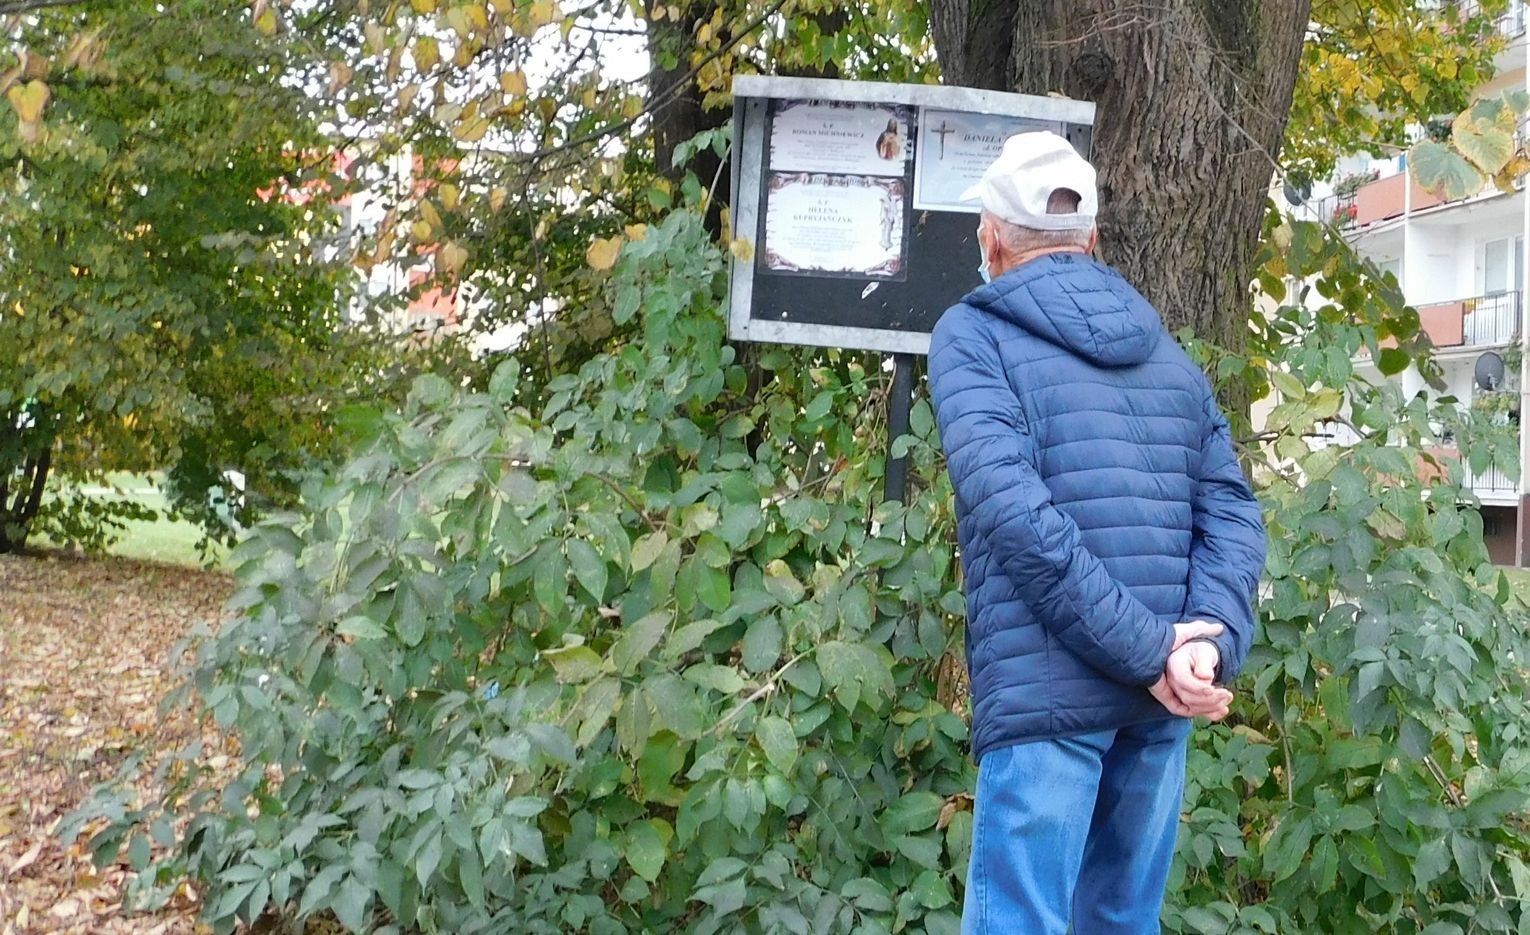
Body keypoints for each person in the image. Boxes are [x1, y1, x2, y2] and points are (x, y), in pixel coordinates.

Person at [926, 131, 1267, 934]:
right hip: (1159, 702)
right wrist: (1203, 643)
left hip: (1050, 701)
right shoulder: (1169, 358)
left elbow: (1015, 516)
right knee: (1119, 921)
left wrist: (1158, 652)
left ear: (991, 239)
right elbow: (1232, 510)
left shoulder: (972, 337)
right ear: (1091, 240)